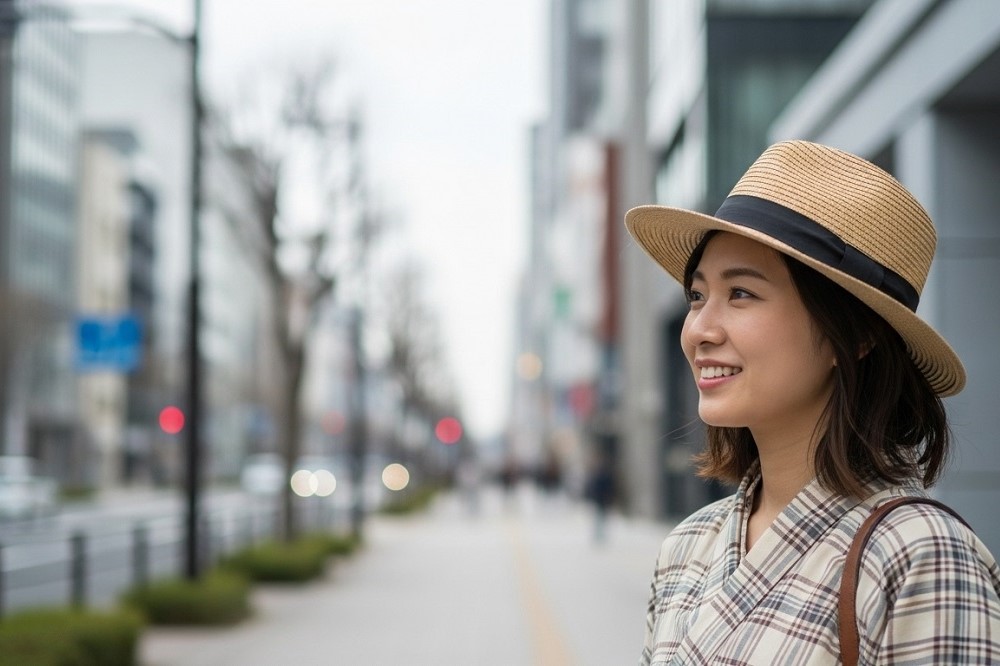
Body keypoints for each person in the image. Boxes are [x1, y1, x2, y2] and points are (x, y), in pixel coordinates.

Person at [625, 140, 1000, 664]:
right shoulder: (686, 548)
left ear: (856, 334)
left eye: (741, 294)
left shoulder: (922, 557)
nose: (700, 331)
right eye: (697, 295)